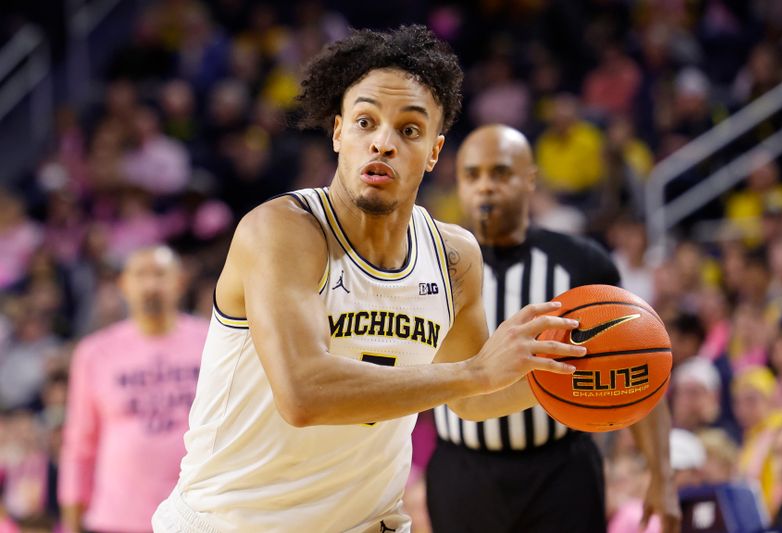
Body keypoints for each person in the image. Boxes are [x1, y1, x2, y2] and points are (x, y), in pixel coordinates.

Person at [152, 26, 586, 533]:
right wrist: (478, 372)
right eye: (365, 122)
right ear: (338, 133)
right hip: (232, 522)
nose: (383, 142)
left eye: (409, 130)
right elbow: (304, 393)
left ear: (434, 152)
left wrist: (571, 372)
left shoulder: (454, 256)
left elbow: (471, 398)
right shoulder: (283, 230)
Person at [427, 124, 680, 532]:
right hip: (462, 470)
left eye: (501, 173)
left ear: (530, 179)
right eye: (472, 175)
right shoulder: (433, 265)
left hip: (562, 469)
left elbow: (642, 363)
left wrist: (662, 475)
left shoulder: (582, 262)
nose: (486, 187)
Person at [59, 246, 207, 533]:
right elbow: (79, 442)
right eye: (140, 275)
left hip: (196, 515)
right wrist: (71, 518)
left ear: (180, 282)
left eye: (160, 274)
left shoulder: (212, 341)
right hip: (116, 518)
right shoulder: (95, 352)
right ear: (124, 285)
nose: (151, 285)